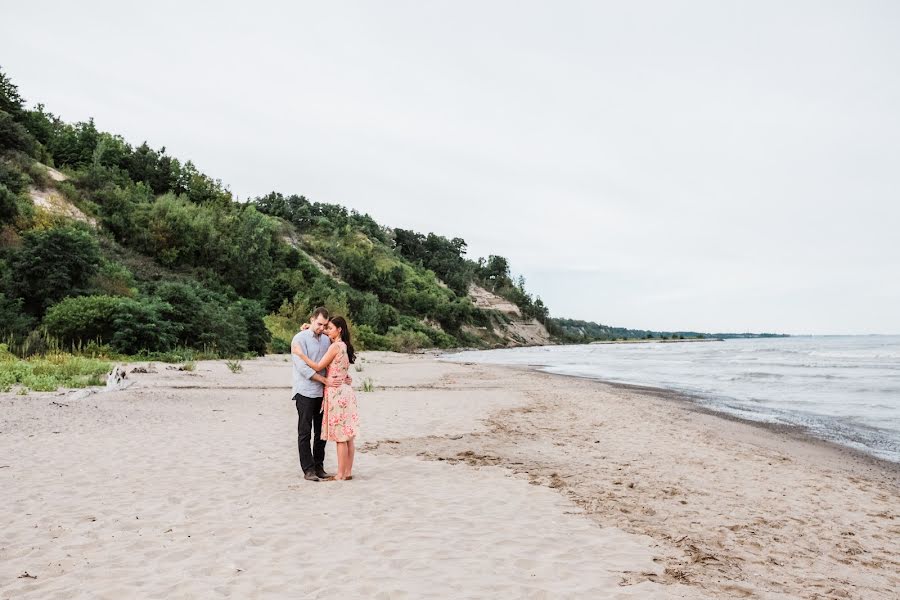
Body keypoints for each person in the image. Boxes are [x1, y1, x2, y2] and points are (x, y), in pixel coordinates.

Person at [296, 316, 359, 481]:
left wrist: (300, 354)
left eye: (329, 328)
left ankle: (340, 474)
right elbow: (341, 368)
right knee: (348, 436)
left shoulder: (334, 346)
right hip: (346, 391)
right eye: (324, 327)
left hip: (336, 392)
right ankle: (347, 472)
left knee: (340, 437)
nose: (325, 330)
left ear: (339, 329)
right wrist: (307, 327)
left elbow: (317, 366)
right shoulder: (344, 345)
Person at [291, 307, 339, 482]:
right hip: (304, 391)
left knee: (321, 432)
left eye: (324, 325)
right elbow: (303, 368)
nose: (321, 328)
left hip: (322, 393)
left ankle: (319, 466)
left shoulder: (327, 340)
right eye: (319, 324)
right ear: (311, 320)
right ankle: (308, 469)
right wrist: (324, 380)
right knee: (305, 431)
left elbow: (331, 363)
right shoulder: (299, 338)